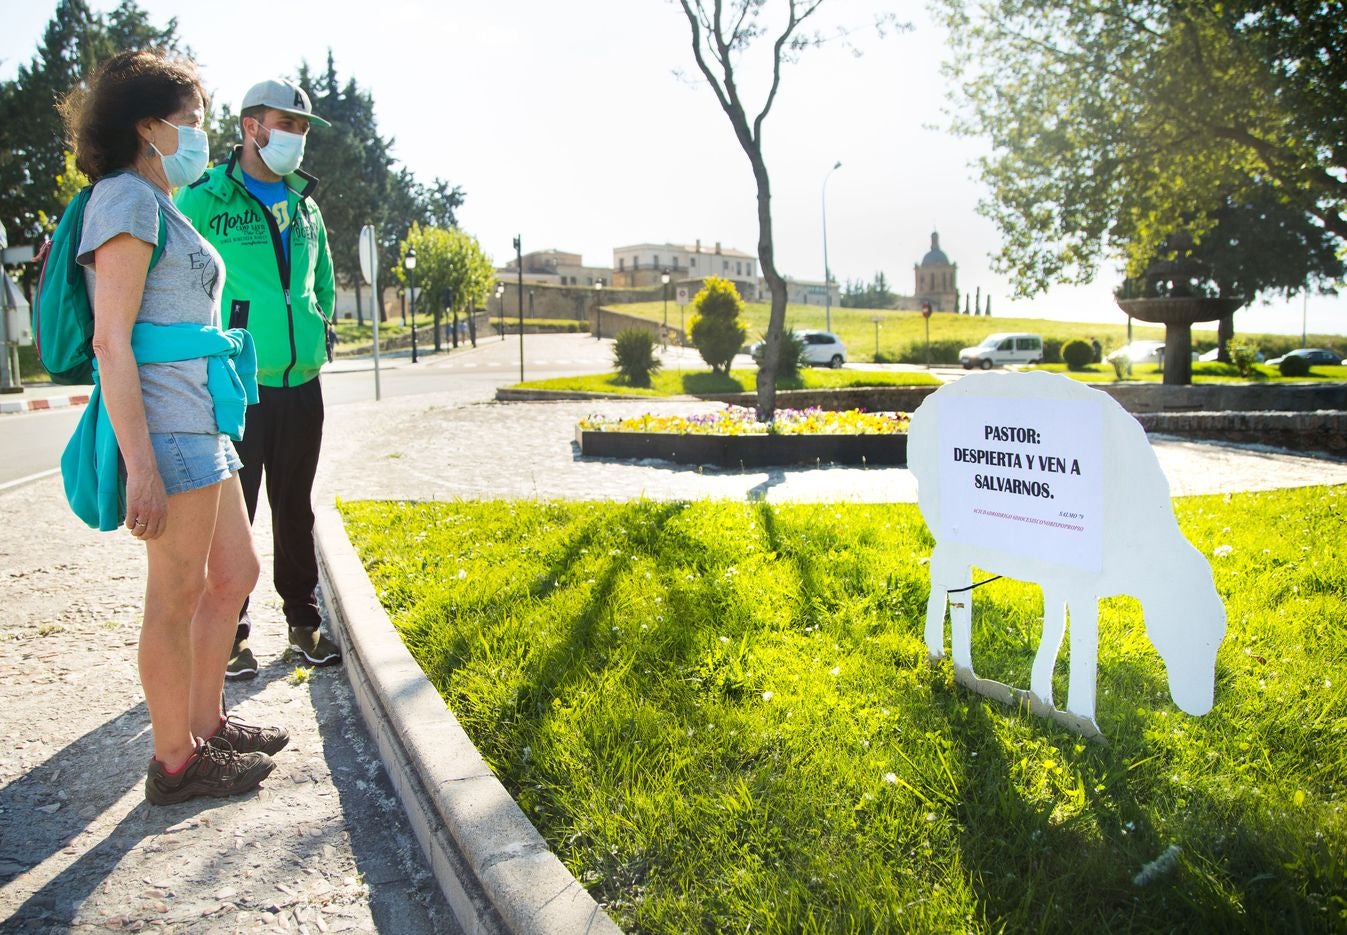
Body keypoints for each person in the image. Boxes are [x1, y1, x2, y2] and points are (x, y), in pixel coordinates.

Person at [60, 49, 288, 805]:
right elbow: (110, 341)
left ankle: (206, 724)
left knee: (235, 575)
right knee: (176, 594)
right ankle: (175, 762)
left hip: (202, 418)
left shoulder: (159, 202)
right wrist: (143, 465)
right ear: (147, 124)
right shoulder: (123, 199)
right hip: (169, 430)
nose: (201, 132)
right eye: (190, 119)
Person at [176, 78, 342, 679]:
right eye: (287, 124)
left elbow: (319, 282)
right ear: (252, 127)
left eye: (302, 128)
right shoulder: (204, 199)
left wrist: (319, 326)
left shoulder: (305, 205)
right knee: (236, 513)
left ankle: (304, 622)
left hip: (303, 383)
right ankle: (230, 634)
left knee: (294, 506)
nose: (297, 137)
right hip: (236, 386)